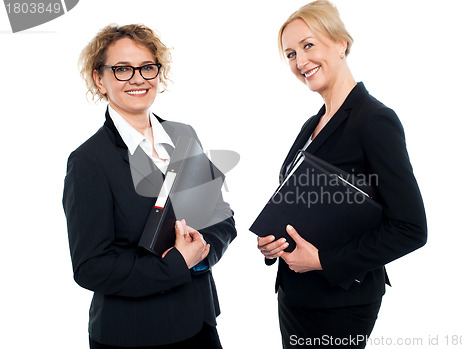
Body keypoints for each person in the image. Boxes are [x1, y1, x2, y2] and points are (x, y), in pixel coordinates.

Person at [257, 1, 427, 348]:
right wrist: (272, 244)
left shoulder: (375, 120)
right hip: (294, 297)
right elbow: (301, 204)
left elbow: (411, 228)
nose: (300, 62)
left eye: (308, 45)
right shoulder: (312, 125)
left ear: (340, 43)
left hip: (340, 305)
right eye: (290, 54)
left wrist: (323, 261)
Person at [63, 24, 236, 349]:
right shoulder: (89, 161)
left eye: (147, 67)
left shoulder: (184, 135)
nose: (138, 78)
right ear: (100, 79)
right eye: (122, 69)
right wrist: (175, 264)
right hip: (134, 335)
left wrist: (199, 254)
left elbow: (221, 216)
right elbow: (91, 267)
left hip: (199, 322)